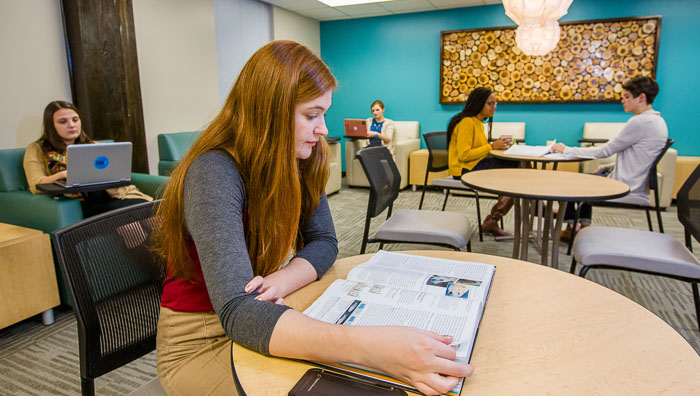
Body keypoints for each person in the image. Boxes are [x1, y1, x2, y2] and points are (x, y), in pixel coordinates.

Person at [152, 40, 473, 396]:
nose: (323, 129)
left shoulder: (299, 159)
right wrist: (375, 348)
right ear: (268, 112)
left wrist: (281, 280)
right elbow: (237, 312)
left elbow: (324, 241)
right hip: (200, 343)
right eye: (311, 115)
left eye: (324, 113)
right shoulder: (214, 171)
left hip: (258, 313)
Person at [551, 76, 668, 238]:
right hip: (635, 182)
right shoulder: (658, 121)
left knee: (568, 185)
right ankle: (582, 225)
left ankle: (573, 227)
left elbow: (605, 151)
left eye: (626, 97)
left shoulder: (641, 122)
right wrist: (606, 168)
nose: (623, 101)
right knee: (583, 179)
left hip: (626, 187)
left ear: (642, 97)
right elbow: (638, 158)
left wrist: (566, 150)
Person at [23, 100, 152, 218]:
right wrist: (63, 175)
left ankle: (152, 243)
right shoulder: (37, 149)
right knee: (130, 219)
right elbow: (35, 184)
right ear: (51, 125)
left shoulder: (92, 146)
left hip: (110, 195)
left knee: (150, 212)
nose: (71, 125)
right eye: (63, 121)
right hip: (79, 201)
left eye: (75, 119)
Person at [447, 87, 518, 239]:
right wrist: (491, 146)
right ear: (479, 103)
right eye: (490, 104)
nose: (494, 107)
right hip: (465, 170)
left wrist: (494, 145)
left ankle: (494, 220)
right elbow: (464, 155)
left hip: (475, 165)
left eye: (495, 103)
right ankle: (493, 221)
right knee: (517, 173)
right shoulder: (466, 122)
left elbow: (478, 149)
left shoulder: (478, 123)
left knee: (517, 169)